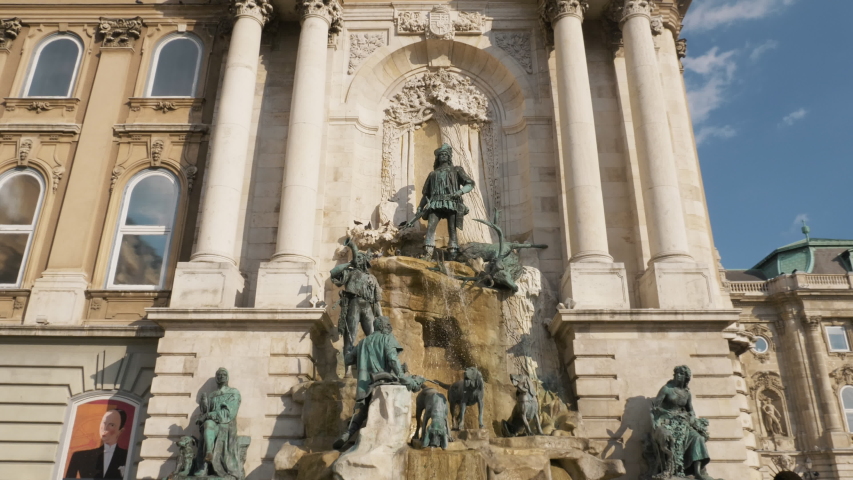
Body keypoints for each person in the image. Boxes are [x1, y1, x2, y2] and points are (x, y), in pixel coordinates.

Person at [333, 316, 423, 449]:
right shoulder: (387, 338)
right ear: (382, 327)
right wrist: (402, 376)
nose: (389, 327)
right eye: (387, 325)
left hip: (365, 386)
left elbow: (347, 360)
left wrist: (349, 350)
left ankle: (348, 433)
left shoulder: (363, 342)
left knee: (363, 412)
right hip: (382, 381)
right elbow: (392, 359)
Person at [405, 143, 475, 257]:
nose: (443, 156)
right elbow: (426, 194)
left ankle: (453, 251)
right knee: (431, 227)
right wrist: (420, 207)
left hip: (451, 202)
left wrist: (459, 192)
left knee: (452, 229)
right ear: (437, 158)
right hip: (435, 203)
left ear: (449, 157)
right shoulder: (433, 174)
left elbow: (470, 183)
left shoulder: (457, 170)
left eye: (445, 154)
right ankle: (428, 252)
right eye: (441, 154)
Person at [649, 365, 716, 480]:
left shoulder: (686, 393)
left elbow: (690, 409)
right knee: (671, 439)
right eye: (676, 373)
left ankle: (697, 471)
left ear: (686, 377)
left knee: (698, 438)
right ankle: (671, 469)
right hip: (668, 422)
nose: (677, 375)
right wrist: (665, 414)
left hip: (683, 422)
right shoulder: (667, 389)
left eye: (681, 374)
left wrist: (692, 417)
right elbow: (655, 407)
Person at [331, 238, 382, 359]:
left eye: (359, 258)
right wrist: (350, 264)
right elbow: (333, 273)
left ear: (365, 261)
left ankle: (373, 367)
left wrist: (381, 317)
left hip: (367, 306)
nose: (356, 259)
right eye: (356, 257)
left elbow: (377, 300)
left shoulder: (372, 278)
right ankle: (347, 370)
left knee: (372, 336)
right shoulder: (349, 273)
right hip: (353, 304)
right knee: (350, 336)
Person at [195, 367, 242, 478]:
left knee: (209, 424)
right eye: (219, 375)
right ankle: (208, 455)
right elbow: (207, 413)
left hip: (226, 423)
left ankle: (206, 464)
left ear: (228, 377)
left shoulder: (233, 392)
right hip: (212, 424)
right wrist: (204, 405)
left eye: (223, 374)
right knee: (207, 424)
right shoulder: (212, 395)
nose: (221, 376)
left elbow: (229, 413)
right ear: (216, 378)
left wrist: (208, 415)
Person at [65, 408, 128, 479]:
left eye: (112, 425)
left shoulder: (127, 456)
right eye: (104, 423)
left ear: (120, 431)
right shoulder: (80, 456)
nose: (104, 428)